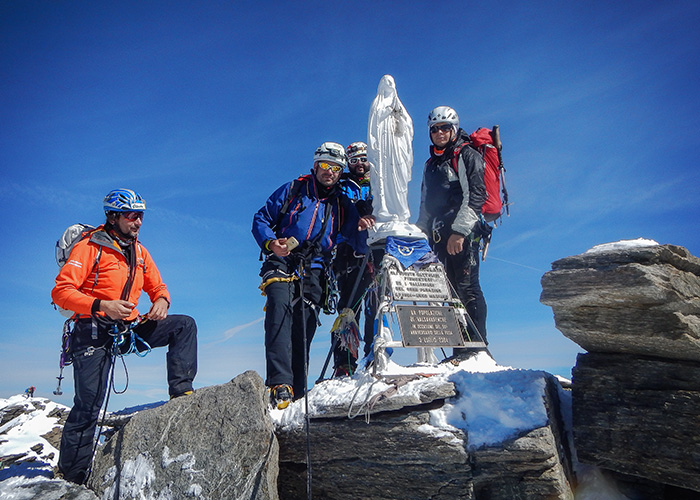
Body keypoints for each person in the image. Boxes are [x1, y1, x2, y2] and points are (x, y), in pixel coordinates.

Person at [51, 188, 198, 484]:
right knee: (89, 405)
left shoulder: (140, 252)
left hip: (126, 330)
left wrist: (161, 302)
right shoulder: (90, 248)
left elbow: (158, 286)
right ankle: (72, 476)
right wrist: (102, 305)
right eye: (132, 216)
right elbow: (61, 292)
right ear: (114, 216)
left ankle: (181, 392)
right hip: (92, 332)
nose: (138, 222)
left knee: (184, 325)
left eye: (141, 215)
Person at [252, 142, 374, 409]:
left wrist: (367, 226)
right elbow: (261, 218)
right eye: (325, 166)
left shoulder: (341, 203)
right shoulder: (294, 189)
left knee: (304, 325)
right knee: (279, 308)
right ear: (316, 165)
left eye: (336, 168)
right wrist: (271, 243)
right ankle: (279, 383)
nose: (330, 172)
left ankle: (296, 390)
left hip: (316, 267)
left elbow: (358, 241)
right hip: (282, 259)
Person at [416, 106, 488, 354]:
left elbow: (476, 195)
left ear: (454, 129)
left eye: (446, 128)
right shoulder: (430, 165)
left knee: (467, 286)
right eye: (435, 129)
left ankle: (477, 349)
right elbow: (425, 204)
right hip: (438, 235)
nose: (440, 133)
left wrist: (459, 232)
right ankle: (460, 349)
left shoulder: (466, 155)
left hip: (462, 232)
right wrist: (420, 235)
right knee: (447, 291)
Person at [331, 142, 376, 377]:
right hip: (349, 252)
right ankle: (344, 363)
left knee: (377, 306)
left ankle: (376, 354)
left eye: (363, 159)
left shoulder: (380, 182)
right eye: (354, 160)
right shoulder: (341, 186)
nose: (359, 164)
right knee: (348, 308)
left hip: (376, 250)